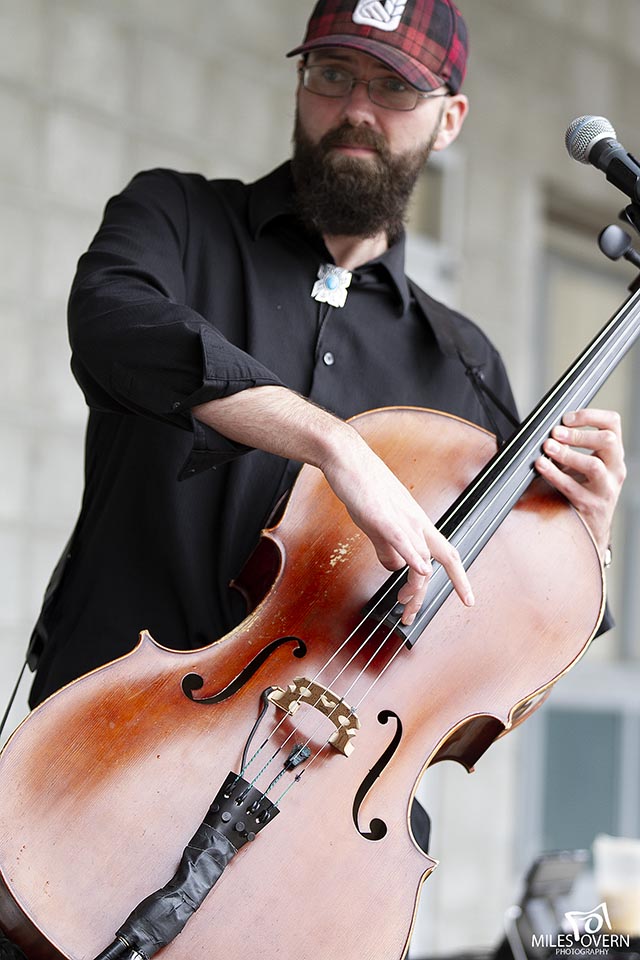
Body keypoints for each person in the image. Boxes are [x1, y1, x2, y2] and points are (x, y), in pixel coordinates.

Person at [28, 0, 625, 716]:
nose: (357, 109)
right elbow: (111, 320)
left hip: (322, 794)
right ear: (301, 82)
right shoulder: (175, 220)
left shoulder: (463, 365)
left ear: (450, 119)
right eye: (333, 73)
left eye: (395, 87)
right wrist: (336, 445)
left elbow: (497, 677)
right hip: (94, 745)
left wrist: (589, 540)